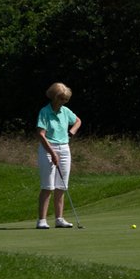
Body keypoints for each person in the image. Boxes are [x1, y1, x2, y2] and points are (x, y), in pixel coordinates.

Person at [36, 82, 82, 229]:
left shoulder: (65, 111)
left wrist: (72, 131)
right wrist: (52, 153)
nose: (64, 102)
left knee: (61, 186)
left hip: (64, 148)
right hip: (48, 147)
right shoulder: (44, 112)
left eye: (66, 99)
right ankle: (42, 220)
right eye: (62, 99)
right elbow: (41, 135)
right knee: (48, 186)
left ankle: (59, 219)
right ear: (54, 98)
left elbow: (78, 121)